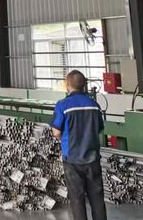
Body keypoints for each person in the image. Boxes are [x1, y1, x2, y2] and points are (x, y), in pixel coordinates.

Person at [51, 70, 107, 220]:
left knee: (77, 199)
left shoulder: (63, 105)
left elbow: (56, 131)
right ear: (84, 85)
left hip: (72, 160)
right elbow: (99, 129)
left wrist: (66, 140)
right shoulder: (94, 105)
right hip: (92, 158)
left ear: (68, 85)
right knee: (97, 198)